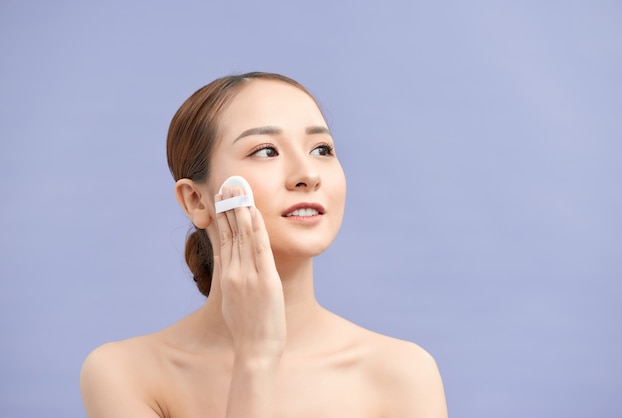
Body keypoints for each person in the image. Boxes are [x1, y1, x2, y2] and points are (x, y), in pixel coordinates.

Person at [80, 72, 448, 417]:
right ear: (196, 200)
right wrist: (255, 357)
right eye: (266, 151)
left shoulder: (403, 373)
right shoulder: (125, 372)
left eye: (321, 149)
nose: (307, 175)